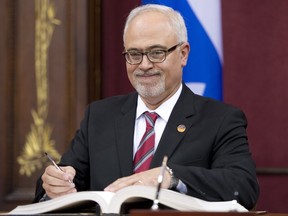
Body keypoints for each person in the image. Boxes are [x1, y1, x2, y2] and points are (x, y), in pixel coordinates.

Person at [34, 4, 259, 210]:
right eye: (134, 54)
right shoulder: (100, 116)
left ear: (183, 54)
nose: (144, 65)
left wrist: (170, 177)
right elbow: (66, 179)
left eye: (156, 53)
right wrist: (55, 184)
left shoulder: (220, 119)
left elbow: (243, 187)